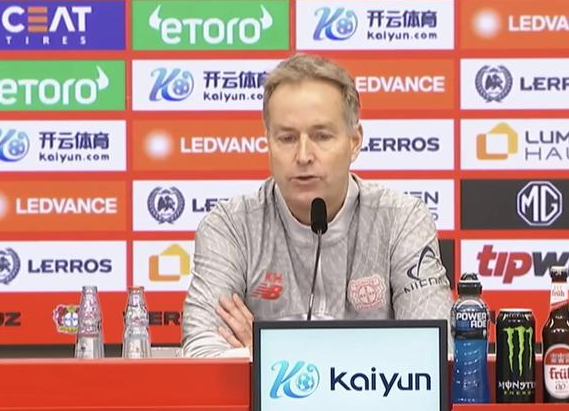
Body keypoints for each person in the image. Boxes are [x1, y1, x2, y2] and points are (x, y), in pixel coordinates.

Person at [181, 53, 453, 358]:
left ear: (354, 141)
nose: (303, 156)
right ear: (268, 142)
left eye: (322, 136)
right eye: (287, 138)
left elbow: (435, 353)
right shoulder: (230, 226)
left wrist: (268, 352)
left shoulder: (401, 220)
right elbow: (201, 353)